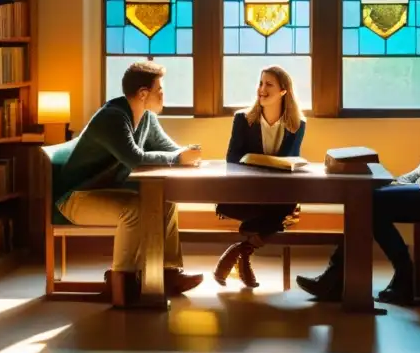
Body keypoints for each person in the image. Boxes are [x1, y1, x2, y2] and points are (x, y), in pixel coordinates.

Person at [296, 51, 420, 305]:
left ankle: (398, 276)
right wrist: (400, 182)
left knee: (370, 203)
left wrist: (411, 188)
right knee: (368, 198)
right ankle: (341, 278)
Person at [54, 60, 204, 304]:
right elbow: (135, 159)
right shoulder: (111, 118)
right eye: (160, 90)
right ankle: (121, 284)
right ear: (144, 94)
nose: (163, 95)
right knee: (133, 210)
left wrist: (187, 153)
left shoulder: (147, 118)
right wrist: (178, 158)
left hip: (108, 192)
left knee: (165, 204)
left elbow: (169, 150)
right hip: (77, 197)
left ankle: (169, 274)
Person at [213, 66, 306, 288]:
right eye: (261, 83)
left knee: (285, 207)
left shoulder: (297, 125)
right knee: (282, 216)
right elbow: (232, 158)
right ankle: (243, 253)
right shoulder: (243, 119)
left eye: (269, 84)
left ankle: (240, 251)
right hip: (244, 194)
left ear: (284, 91)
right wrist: (257, 162)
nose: (262, 89)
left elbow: (290, 161)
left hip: (275, 197)